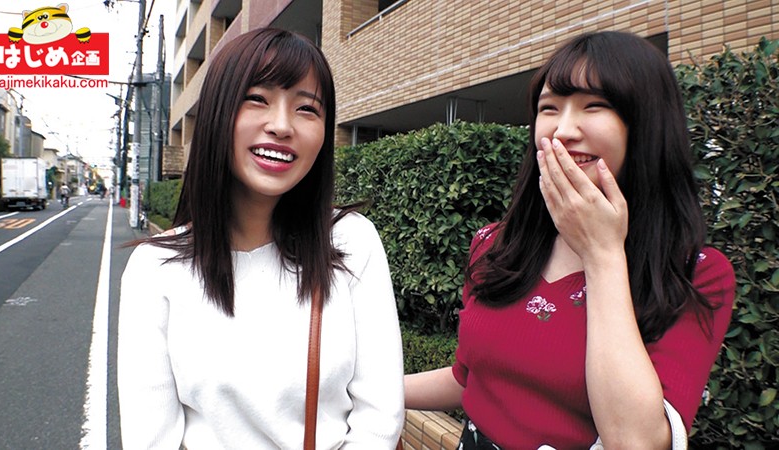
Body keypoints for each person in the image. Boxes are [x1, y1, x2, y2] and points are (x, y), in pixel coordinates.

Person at [404, 31, 735, 449]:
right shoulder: (494, 245)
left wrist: (602, 253)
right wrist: (356, 391)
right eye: (549, 108)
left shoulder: (695, 274)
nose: (562, 130)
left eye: (594, 105)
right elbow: (468, 379)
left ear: (647, 124)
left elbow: (635, 441)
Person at [118, 28, 404, 449]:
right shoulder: (154, 268)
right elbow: (150, 438)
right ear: (217, 113)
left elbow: (380, 419)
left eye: (306, 108)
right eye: (257, 99)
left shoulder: (350, 241)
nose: (282, 126)